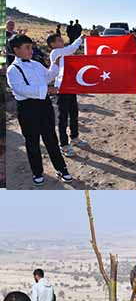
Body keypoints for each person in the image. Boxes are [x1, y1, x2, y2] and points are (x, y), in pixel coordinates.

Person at [8, 34, 74, 186]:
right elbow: (21, 89)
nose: (31, 50)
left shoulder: (36, 64)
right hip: (27, 108)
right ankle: (37, 171)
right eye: (27, 47)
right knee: (32, 141)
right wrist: (47, 90)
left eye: (32, 47)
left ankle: (61, 168)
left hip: (44, 105)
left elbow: (48, 76)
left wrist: (56, 64)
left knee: (51, 138)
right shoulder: (13, 69)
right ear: (16, 50)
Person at [46, 32, 85, 158]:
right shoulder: (55, 53)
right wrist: (80, 38)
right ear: (52, 44)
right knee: (63, 118)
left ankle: (75, 137)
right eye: (58, 40)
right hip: (61, 89)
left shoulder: (64, 53)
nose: (61, 42)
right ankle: (64, 144)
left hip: (70, 87)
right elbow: (71, 48)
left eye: (61, 40)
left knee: (74, 113)